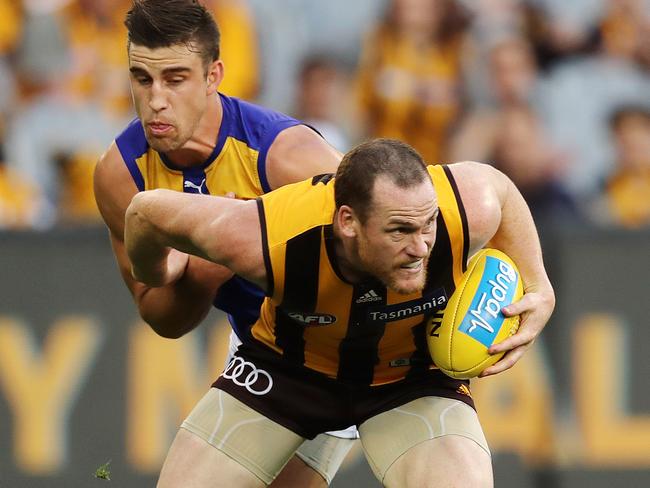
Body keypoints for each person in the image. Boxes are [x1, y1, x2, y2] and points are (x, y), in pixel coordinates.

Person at [124, 138, 556, 487]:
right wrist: (157, 274)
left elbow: (500, 187)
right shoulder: (263, 237)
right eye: (399, 230)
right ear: (347, 221)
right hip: (287, 374)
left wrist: (539, 283)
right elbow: (144, 212)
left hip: (412, 380)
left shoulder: (464, 207)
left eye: (427, 225)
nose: (421, 247)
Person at [93, 0, 357, 486]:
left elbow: (394, 231)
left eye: (175, 79)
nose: (156, 100)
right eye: (142, 78)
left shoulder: (288, 156)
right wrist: (209, 267)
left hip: (358, 338)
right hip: (270, 350)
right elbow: (160, 314)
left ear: (214, 75)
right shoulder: (120, 175)